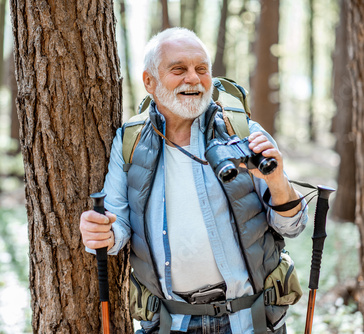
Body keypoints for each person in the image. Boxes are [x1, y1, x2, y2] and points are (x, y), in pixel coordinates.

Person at [80, 27, 308, 334]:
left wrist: (278, 181)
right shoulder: (129, 143)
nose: (193, 78)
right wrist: (101, 233)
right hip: (169, 321)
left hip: (250, 319)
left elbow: (292, 226)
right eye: (179, 69)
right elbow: (117, 227)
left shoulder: (244, 132)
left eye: (202, 69)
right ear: (150, 81)